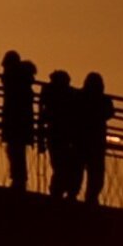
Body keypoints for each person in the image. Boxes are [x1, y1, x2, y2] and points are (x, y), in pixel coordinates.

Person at [40, 69, 82, 200]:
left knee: (58, 164)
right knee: (65, 164)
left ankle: (57, 190)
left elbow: (43, 112)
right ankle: (66, 191)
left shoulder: (47, 92)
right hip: (66, 134)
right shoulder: (70, 94)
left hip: (54, 133)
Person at [0, 50, 36, 190]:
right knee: (17, 151)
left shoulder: (12, 79)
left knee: (15, 151)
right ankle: (19, 179)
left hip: (14, 120)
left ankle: (18, 179)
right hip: (21, 121)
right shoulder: (23, 81)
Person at [78, 72, 115, 206]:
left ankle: (73, 193)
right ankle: (91, 197)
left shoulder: (80, 96)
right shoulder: (104, 100)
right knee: (96, 172)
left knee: (78, 169)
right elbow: (110, 113)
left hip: (81, 138)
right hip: (96, 140)